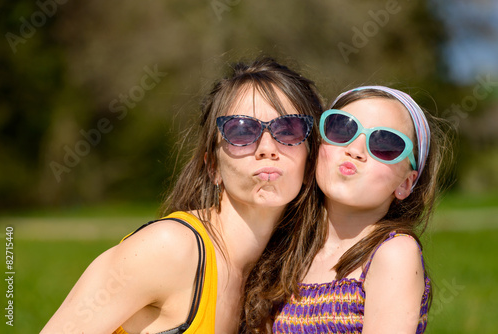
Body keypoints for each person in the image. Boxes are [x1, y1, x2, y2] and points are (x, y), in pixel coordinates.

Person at [40, 57, 325, 334]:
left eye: (288, 129)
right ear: (212, 166)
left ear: (310, 160)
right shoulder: (171, 249)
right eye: (241, 130)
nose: (267, 147)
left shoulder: (279, 280)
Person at [242, 86, 453, 333]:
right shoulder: (286, 250)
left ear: (406, 183)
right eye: (342, 129)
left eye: (385, 143)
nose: (355, 150)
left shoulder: (393, 254)